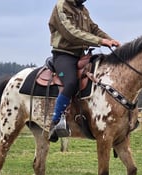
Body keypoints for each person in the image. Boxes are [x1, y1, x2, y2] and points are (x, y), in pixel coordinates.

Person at [48, 0, 120, 142]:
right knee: (71, 82)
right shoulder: (61, 6)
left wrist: (111, 40)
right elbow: (70, 33)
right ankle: (55, 122)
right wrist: (100, 41)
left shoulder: (83, 9)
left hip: (82, 55)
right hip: (63, 55)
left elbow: (94, 29)